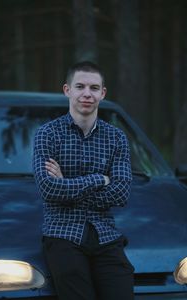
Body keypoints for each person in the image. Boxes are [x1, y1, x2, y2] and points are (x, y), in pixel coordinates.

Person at [33, 61, 134, 300]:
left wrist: (66, 184)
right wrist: (100, 179)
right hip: (62, 234)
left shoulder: (116, 137)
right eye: (80, 86)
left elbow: (121, 193)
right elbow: (48, 189)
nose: (87, 94)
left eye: (93, 88)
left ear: (102, 93)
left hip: (105, 235)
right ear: (67, 90)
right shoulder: (47, 134)